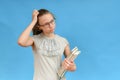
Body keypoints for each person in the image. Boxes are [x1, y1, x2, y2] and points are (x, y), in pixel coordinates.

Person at [18, 9, 76, 80]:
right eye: (46, 24)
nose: (51, 25)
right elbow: (21, 42)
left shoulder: (63, 41)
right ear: (39, 26)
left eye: (52, 21)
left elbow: (73, 67)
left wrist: (70, 66)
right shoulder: (35, 40)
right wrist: (33, 22)